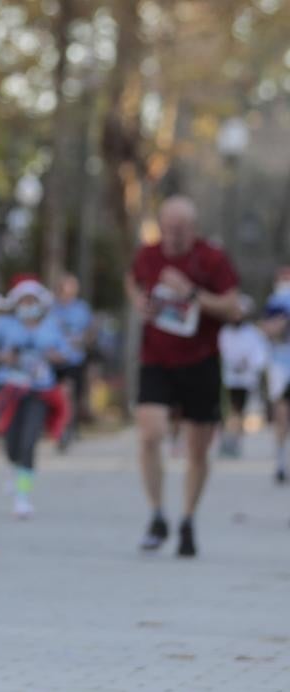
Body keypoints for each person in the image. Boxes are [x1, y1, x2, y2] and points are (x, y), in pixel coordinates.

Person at [124, 195, 240, 558]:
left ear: (194, 228)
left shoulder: (212, 258)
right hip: (156, 357)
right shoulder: (149, 254)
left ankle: (187, 519)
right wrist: (138, 302)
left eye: (180, 228)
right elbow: (132, 279)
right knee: (150, 433)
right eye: (167, 227)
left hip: (201, 361)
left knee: (197, 449)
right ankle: (158, 514)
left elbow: (233, 307)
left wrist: (190, 292)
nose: (172, 235)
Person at [0, 276, 72, 518]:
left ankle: (23, 497)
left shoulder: (52, 324)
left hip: (39, 391)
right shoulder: (3, 324)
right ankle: (15, 468)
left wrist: (53, 355)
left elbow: (67, 354)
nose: (28, 305)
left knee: (29, 442)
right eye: (24, 301)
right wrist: (1, 357)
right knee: (12, 444)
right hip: (9, 389)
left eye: (32, 301)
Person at [218, 294, 266, 458]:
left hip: (244, 380)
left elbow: (259, 355)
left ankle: (234, 442)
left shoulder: (252, 333)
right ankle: (226, 440)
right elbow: (221, 352)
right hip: (226, 379)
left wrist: (247, 364)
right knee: (227, 411)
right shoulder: (223, 332)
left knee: (238, 411)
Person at [50, 272, 94, 450]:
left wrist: (82, 339)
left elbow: (90, 333)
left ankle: (69, 427)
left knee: (70, 393)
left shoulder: (82, 308)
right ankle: (58, 426)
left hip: (75, 359)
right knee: (57, 395)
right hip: (53, 358)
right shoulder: (51, 308)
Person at [261, 272, 290, 483]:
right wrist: (280, 325)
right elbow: (267, 329)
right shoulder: (275, 302)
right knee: (282, 412)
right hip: (281, 364)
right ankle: (280, 461)